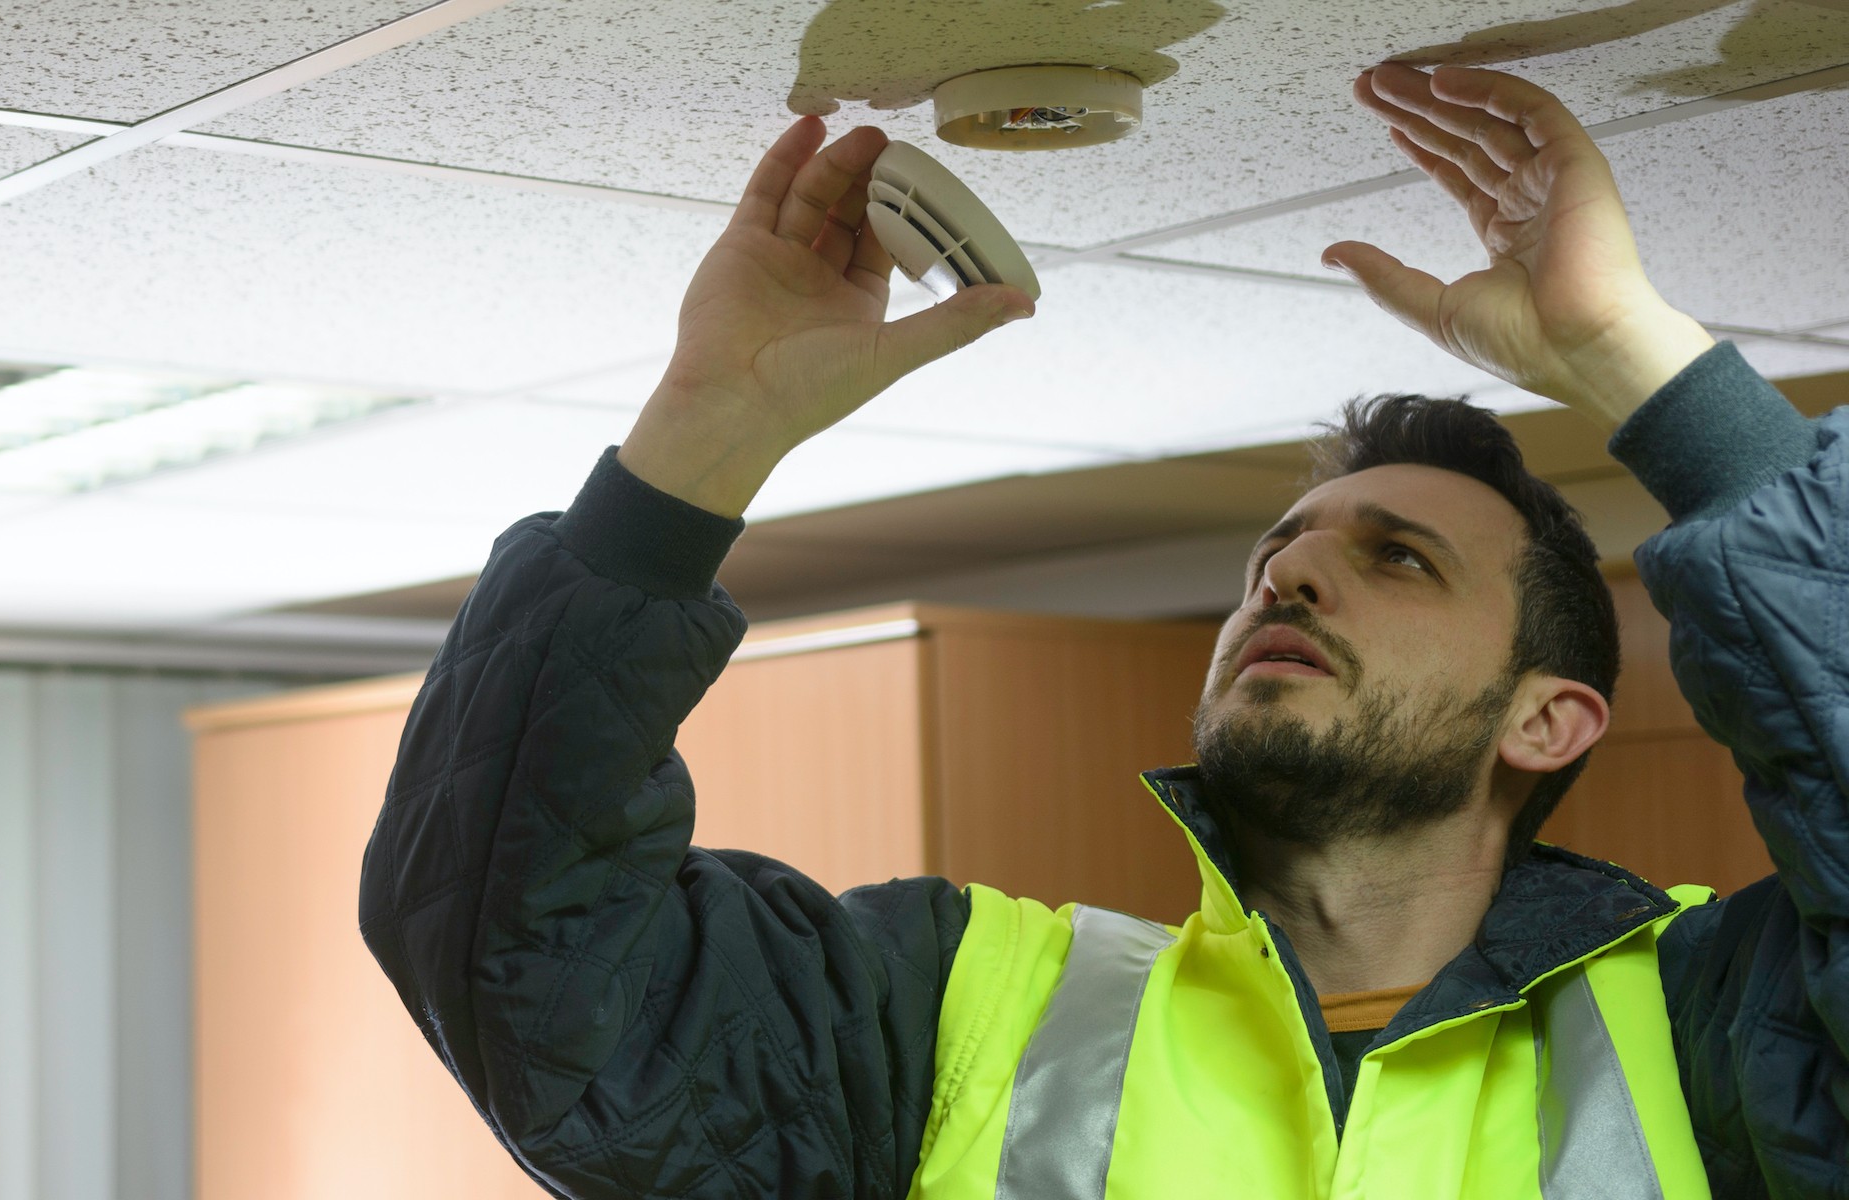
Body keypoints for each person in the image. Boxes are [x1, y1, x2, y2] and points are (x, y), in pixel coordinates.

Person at [358, 64, 1846, 1197]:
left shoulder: (1723, 1023)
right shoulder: (959, 1006)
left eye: (1396, 560)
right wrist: (698, 441)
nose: (1289, 583)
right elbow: (523, 965)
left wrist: (1632, 361)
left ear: (1551, 717)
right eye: (1279, 556)